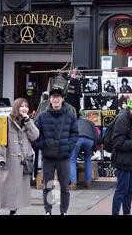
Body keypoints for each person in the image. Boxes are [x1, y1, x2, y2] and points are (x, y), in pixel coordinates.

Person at [34, 87, 79, 215]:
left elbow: (75, 134)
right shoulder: (42, 116)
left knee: (65, 186)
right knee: (48, 185)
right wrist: (44, 145)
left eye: (58, 96)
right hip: (48, 157)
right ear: (50, 99)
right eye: (53, 97)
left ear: (62, 99)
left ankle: (63, 211)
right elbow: (36, 135)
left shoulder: (70, 115)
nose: (55, 99)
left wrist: (68, 147)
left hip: (64, 157)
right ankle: (48, 211)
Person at [0, 98, 40, 215]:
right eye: (22, 106)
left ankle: (13, 211)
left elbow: (35, 135)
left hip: (23, 162)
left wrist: (28, 120)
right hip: (9, 161)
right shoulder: (7, 121)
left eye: (26, 106)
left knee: (18, 188)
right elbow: (1, 141)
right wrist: (0, 158)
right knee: (4, 187)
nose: (25, 108)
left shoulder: (27, 121)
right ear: (16, 107)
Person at [69, 116, 99, 190]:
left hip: (77, 139)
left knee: (72, 160)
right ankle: (88, 183)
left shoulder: (74, 122)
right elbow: (96, 135)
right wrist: (95, 147)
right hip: (89, 140)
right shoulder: (91, 123)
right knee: (88, 160)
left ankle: (73, 183)